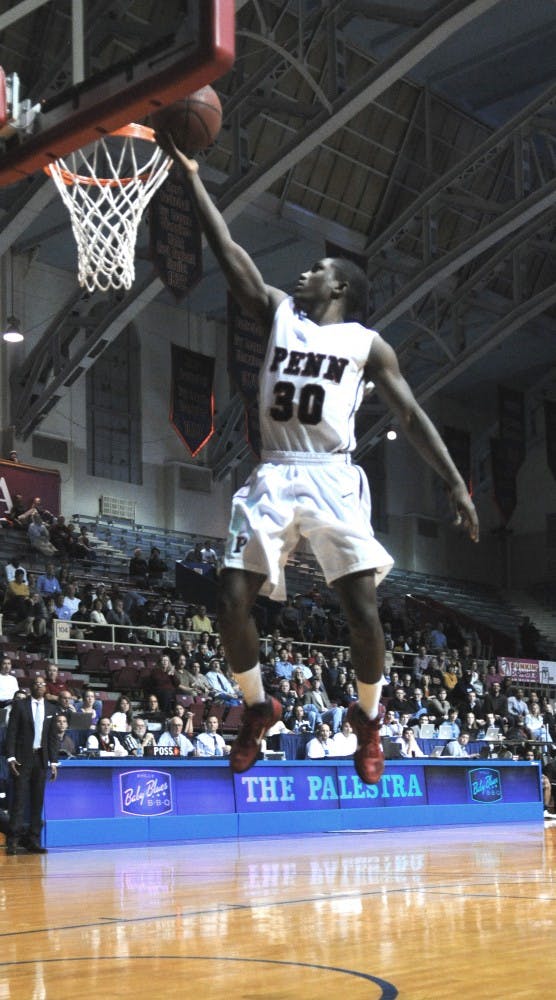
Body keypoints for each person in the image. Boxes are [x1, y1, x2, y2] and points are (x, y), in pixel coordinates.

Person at [157, 139, 479, 785]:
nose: (303, 273)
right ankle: (257, 708)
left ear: (340, 286)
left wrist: (456, 484)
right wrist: (193, 180)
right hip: (274, 471)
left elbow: (411, 416)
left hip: (333, 473)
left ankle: (367, 722)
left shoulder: (366, 344)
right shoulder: (279, 313)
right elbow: (230, 256)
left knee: (362, 609)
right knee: (230, 599)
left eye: (316, 268)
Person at [5, 675, 58, 854]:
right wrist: (11, 757)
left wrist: (54, 761)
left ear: (46, 688)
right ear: (31, 687)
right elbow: (11, 732)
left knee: (37, 801)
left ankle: (33, 840)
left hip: (41, 759)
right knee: (19, 800)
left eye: (43, 684)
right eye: (36, 683)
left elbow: (52, 738)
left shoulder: (51, 708)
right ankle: (12, 841)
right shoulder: (20, 706)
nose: (40, 686)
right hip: (22, 759)